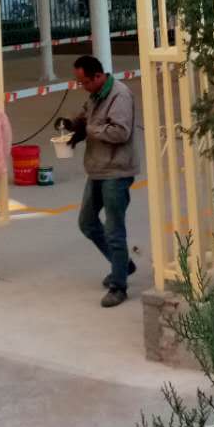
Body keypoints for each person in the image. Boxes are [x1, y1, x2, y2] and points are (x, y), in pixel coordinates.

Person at [58, 54, 138, 307]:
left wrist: (90, 129)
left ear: (98, 76)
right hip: (97, 169)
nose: (82, 86)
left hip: (116, 171)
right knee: (87, 222)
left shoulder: (119, 96)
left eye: (84, 82)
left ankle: (119, 286)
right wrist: (73, 126)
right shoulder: (96, 95)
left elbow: (120, 132)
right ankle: (122, 264)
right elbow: (86, 117)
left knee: (114, 230)